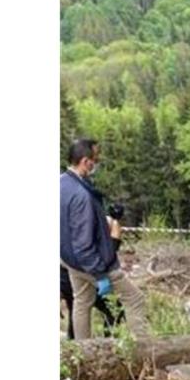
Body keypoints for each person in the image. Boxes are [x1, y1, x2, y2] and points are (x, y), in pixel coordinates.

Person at [60, 139, 149, 340]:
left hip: (70, 260)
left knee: (82, 301)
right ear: (85, 161)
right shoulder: (81, 195)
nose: (97, 163)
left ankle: (83, 354)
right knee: (135, 299)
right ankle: (144, 350)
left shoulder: (61, 183)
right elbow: (83, 241)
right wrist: (100, 274)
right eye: (95, 159)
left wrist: (106, 218)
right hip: (91, 262)